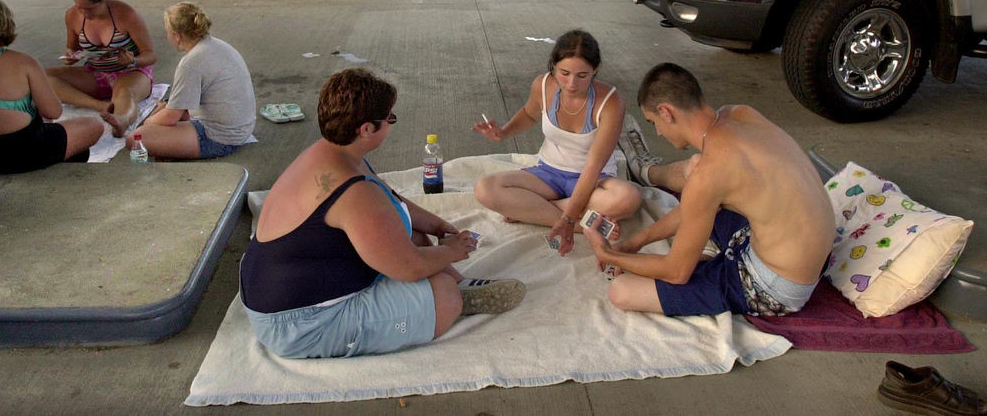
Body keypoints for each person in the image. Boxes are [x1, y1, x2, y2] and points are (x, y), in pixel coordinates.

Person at [240, 68, 525, 359]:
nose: (391, 124)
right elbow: (408, 267)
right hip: (299, 324)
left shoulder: (333, 152)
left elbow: (392, 200)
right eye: (389, 119)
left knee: (411, 231)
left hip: (286, 290)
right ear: (366, 129)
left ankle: (459, 283)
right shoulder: (353, 191)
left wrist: (439, 227)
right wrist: (452, 251)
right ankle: (455, 293)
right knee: (445, 297)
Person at [582, 63, 833, 317]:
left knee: (622, 291)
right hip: (812, 256)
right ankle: (709, 253)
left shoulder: (709, 174)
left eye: (653, 122)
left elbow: (676, 272)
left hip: (776, 287)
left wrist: (610, 255)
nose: (658, 132)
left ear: (666, 112)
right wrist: (635, 243)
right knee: (701, 188)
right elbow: (698, 203)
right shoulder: (741, 114)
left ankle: (714, 262)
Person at [473, 29, 644, 256]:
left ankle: (530, 210)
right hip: (547, 173)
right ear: (553, 65)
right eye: (564, 73)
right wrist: (502, 133)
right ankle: (583, 225)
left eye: (582, 76)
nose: (572, 83)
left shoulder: (611, 102)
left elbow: (593, 167)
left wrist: (566, 217)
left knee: (628, 199)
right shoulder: (543, 85)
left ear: (596, 69)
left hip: (592, 180)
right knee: (485, 188)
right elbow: (530, 114)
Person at [0, 0, 102, 174]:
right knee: (93, 125)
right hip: (22, 152)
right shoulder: (23, 62)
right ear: (5, 23)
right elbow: (53, 112)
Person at [126, 2, 255, 160]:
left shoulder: (191, 62)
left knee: (136, 138)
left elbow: (170, 117)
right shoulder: (217, 45)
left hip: (221, 138)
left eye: (168, 33)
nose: (167, 37)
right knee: (163, 109)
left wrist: (148, 122)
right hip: (242, 129)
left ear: (177, 35)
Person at [46, 0, 157, 138]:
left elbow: (150, 55)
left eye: (89, 9)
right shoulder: (72, 15)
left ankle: (122, 120)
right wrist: (71, 55)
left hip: (131, 72)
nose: (84, 13)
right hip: (97, 72)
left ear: (104, 0)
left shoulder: (126, 14)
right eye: (79, 8)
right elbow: (72, 47)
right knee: (42, 76)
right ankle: (98, 105)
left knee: (124, 93)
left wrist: (132, 61)